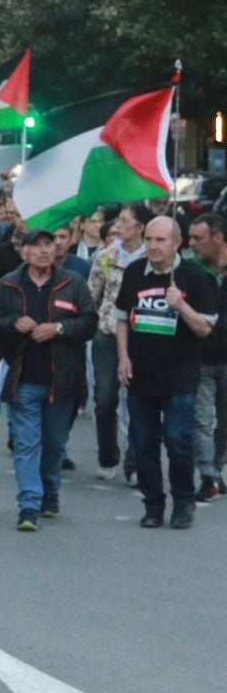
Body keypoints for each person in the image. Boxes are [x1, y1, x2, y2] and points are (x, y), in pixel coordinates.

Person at [0, 228, 98, 529]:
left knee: (54, 444)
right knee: (26, 443)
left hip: (63, 380)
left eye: (50, 244)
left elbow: (89, 322)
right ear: (24, 252)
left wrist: (59, 329)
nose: (45, 250)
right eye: (37, 246)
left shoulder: (73, 283)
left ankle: (50, 491)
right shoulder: (6, 285)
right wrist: (13, 322)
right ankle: (28, 505)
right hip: (23, 379)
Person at [116, 215, 219, 529]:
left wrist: (183, 307)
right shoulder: (135, 273)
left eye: (160, 240)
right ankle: (153, 505)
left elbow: (205, 329)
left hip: (180, 375)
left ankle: (183, 502)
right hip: (141, 373)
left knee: (177, 441)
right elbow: (122, 318)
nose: (153, 246)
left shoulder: (195, 277)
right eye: (148, 239)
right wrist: (123, 357)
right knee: (144, 442)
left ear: (177, 243)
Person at [89, 203, 151, 481]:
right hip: (108, 332)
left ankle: (135, 461)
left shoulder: (153, 257)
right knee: (105, 398)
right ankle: (107, 454)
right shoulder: (106, 255)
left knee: (139, 401)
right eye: (117, 221)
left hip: (144, 336)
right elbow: (93, 294)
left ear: (140, 227)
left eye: (124, 221)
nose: (117, 226)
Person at [187, 212, 227, 502]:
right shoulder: (190, 271)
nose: (192, 244)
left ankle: (220, 468)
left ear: (218, 238)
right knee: (201, 420)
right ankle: (208, 476)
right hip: (199, 357)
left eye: (198, 239)